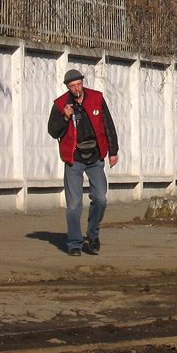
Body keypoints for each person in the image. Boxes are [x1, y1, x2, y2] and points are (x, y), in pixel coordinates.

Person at [47, 69, 119, 256]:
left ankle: (92, 233)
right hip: (74, 159)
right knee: (73, 205)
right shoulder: (60, 104)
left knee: (100, 198)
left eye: (79, 84)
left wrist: (113, 152)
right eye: (72, 86)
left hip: (95, 157)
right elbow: (53, 131)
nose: (76, 88)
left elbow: (108, 125)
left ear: (82, 83)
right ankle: (74, 244)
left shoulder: (96, 98)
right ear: (68, 87)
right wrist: (65, 117)